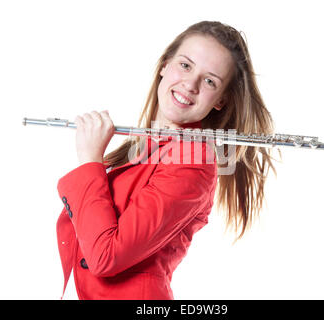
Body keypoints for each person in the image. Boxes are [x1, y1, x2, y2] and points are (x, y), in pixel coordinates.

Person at [56, 20, 276, 300]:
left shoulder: (192, 164)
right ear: (165, 65)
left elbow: (105, 256)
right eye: (185, 65)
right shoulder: (149, 148)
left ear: (221, 100)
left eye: (210, 81)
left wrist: (90, 160)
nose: (191, 84)